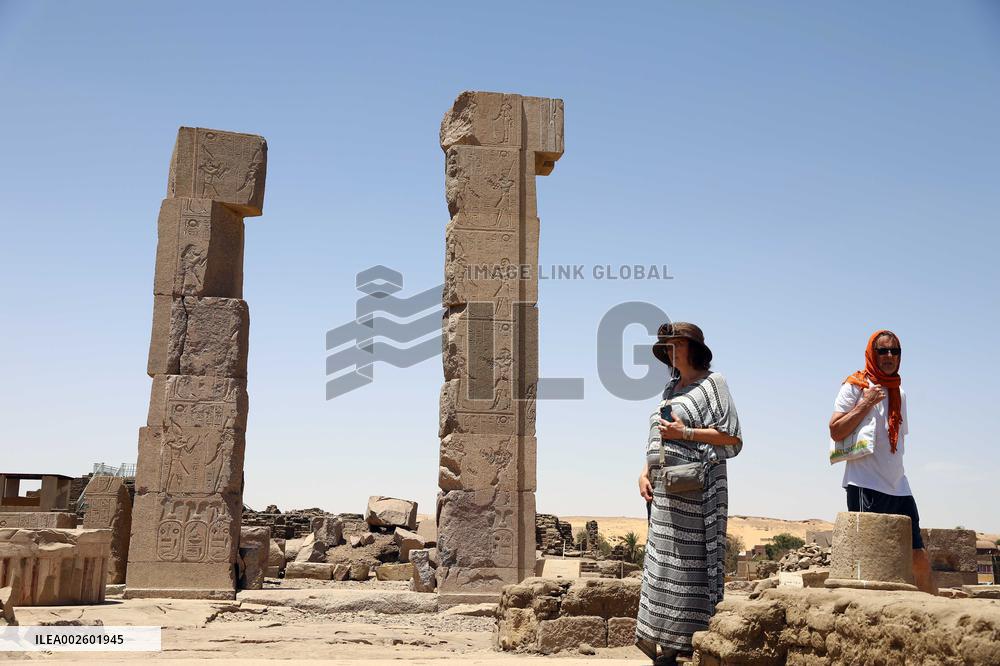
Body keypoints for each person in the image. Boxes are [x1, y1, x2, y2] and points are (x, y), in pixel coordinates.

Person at [636, 322, 743, 665]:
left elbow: (732, 438)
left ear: (692, 348)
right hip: (663, 497)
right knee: (661, 567)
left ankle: (683, 646)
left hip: (697, 497)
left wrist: (687, 432)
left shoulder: (714, 384)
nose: (671, 351)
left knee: (688, 569)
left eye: (676, 344)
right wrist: (642, 472)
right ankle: (660, 646)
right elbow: (656, 438)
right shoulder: (669, 389)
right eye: (667, 347)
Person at [828, 329, 935, 594]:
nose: (889, 356)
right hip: (865, 484)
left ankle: (934, 608)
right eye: (882, 351)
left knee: (918, 554)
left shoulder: (900, 392)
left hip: (899, 486)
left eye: (895, 351)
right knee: (868, 559)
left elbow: (895, 442)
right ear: (871, 354)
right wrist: (865, 403)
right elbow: (836, 430)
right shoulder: (854, 385)